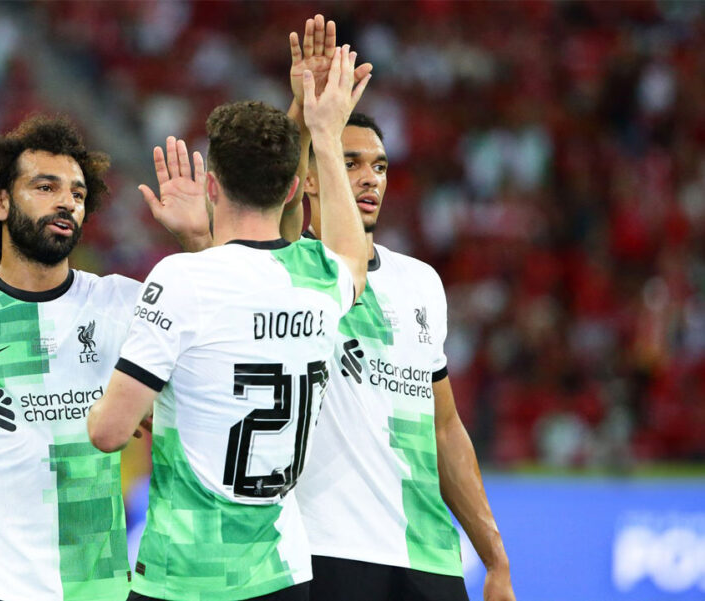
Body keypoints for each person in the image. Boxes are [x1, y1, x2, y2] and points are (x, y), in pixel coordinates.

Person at [0, 115, 208, 601]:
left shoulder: (122, 303)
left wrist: (197, 241)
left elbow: (220, 336)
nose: (66, 201)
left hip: (99, 588)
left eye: (77, 193)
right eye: (46, 187)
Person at [88, 46, 372, 601]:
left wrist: (128, 400)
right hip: (282, 573)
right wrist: (324, 130)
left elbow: (108, 433)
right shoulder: (323, 278)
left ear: (212, 187)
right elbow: (350, 257)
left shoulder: (183, 280)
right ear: (292, 190)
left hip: (187, 575)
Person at [280, 15, 516, 601]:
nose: (370, 179)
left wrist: (495, 557)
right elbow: (275, 205)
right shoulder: (290, 268)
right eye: (350, 162)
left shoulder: (420, 282)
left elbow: (445, 426)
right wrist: (304, 119)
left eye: (380, 166)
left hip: (427, 555)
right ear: (312, 179)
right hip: (328, 550)